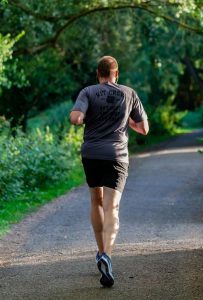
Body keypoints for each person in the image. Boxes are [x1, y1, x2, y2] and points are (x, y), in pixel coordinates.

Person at [70, 56, 149, 287]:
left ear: (98, 73)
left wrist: (80, 117)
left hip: (92, 153)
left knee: (96, 201)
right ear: (117, 73)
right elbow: (144, 128)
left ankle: (100, 250)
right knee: (112, 206)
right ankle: (108, 255)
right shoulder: (129, 93)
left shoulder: (88, 92)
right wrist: (130, 125)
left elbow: (75, 117)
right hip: (117, 155)